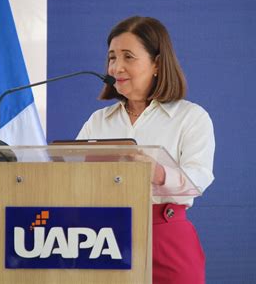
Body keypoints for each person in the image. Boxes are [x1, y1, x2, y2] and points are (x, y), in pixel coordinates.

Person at [77, 16, 215, 284]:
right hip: (101, 238)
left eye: (128, 57)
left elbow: (199, 179)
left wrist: (159, 173)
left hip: (165, 235)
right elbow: (69, 175)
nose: (117, 66)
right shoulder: (98, 122)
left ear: (157, 64)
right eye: (112, 57)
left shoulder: (191, 117)